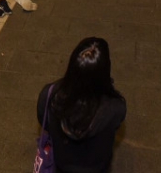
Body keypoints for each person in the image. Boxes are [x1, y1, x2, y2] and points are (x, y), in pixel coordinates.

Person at [36, 37, 126, 173]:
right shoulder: (115, 107)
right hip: (97, 167)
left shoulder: (49, 95)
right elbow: (116, 126)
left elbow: (45, 121)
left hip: (62, 164)